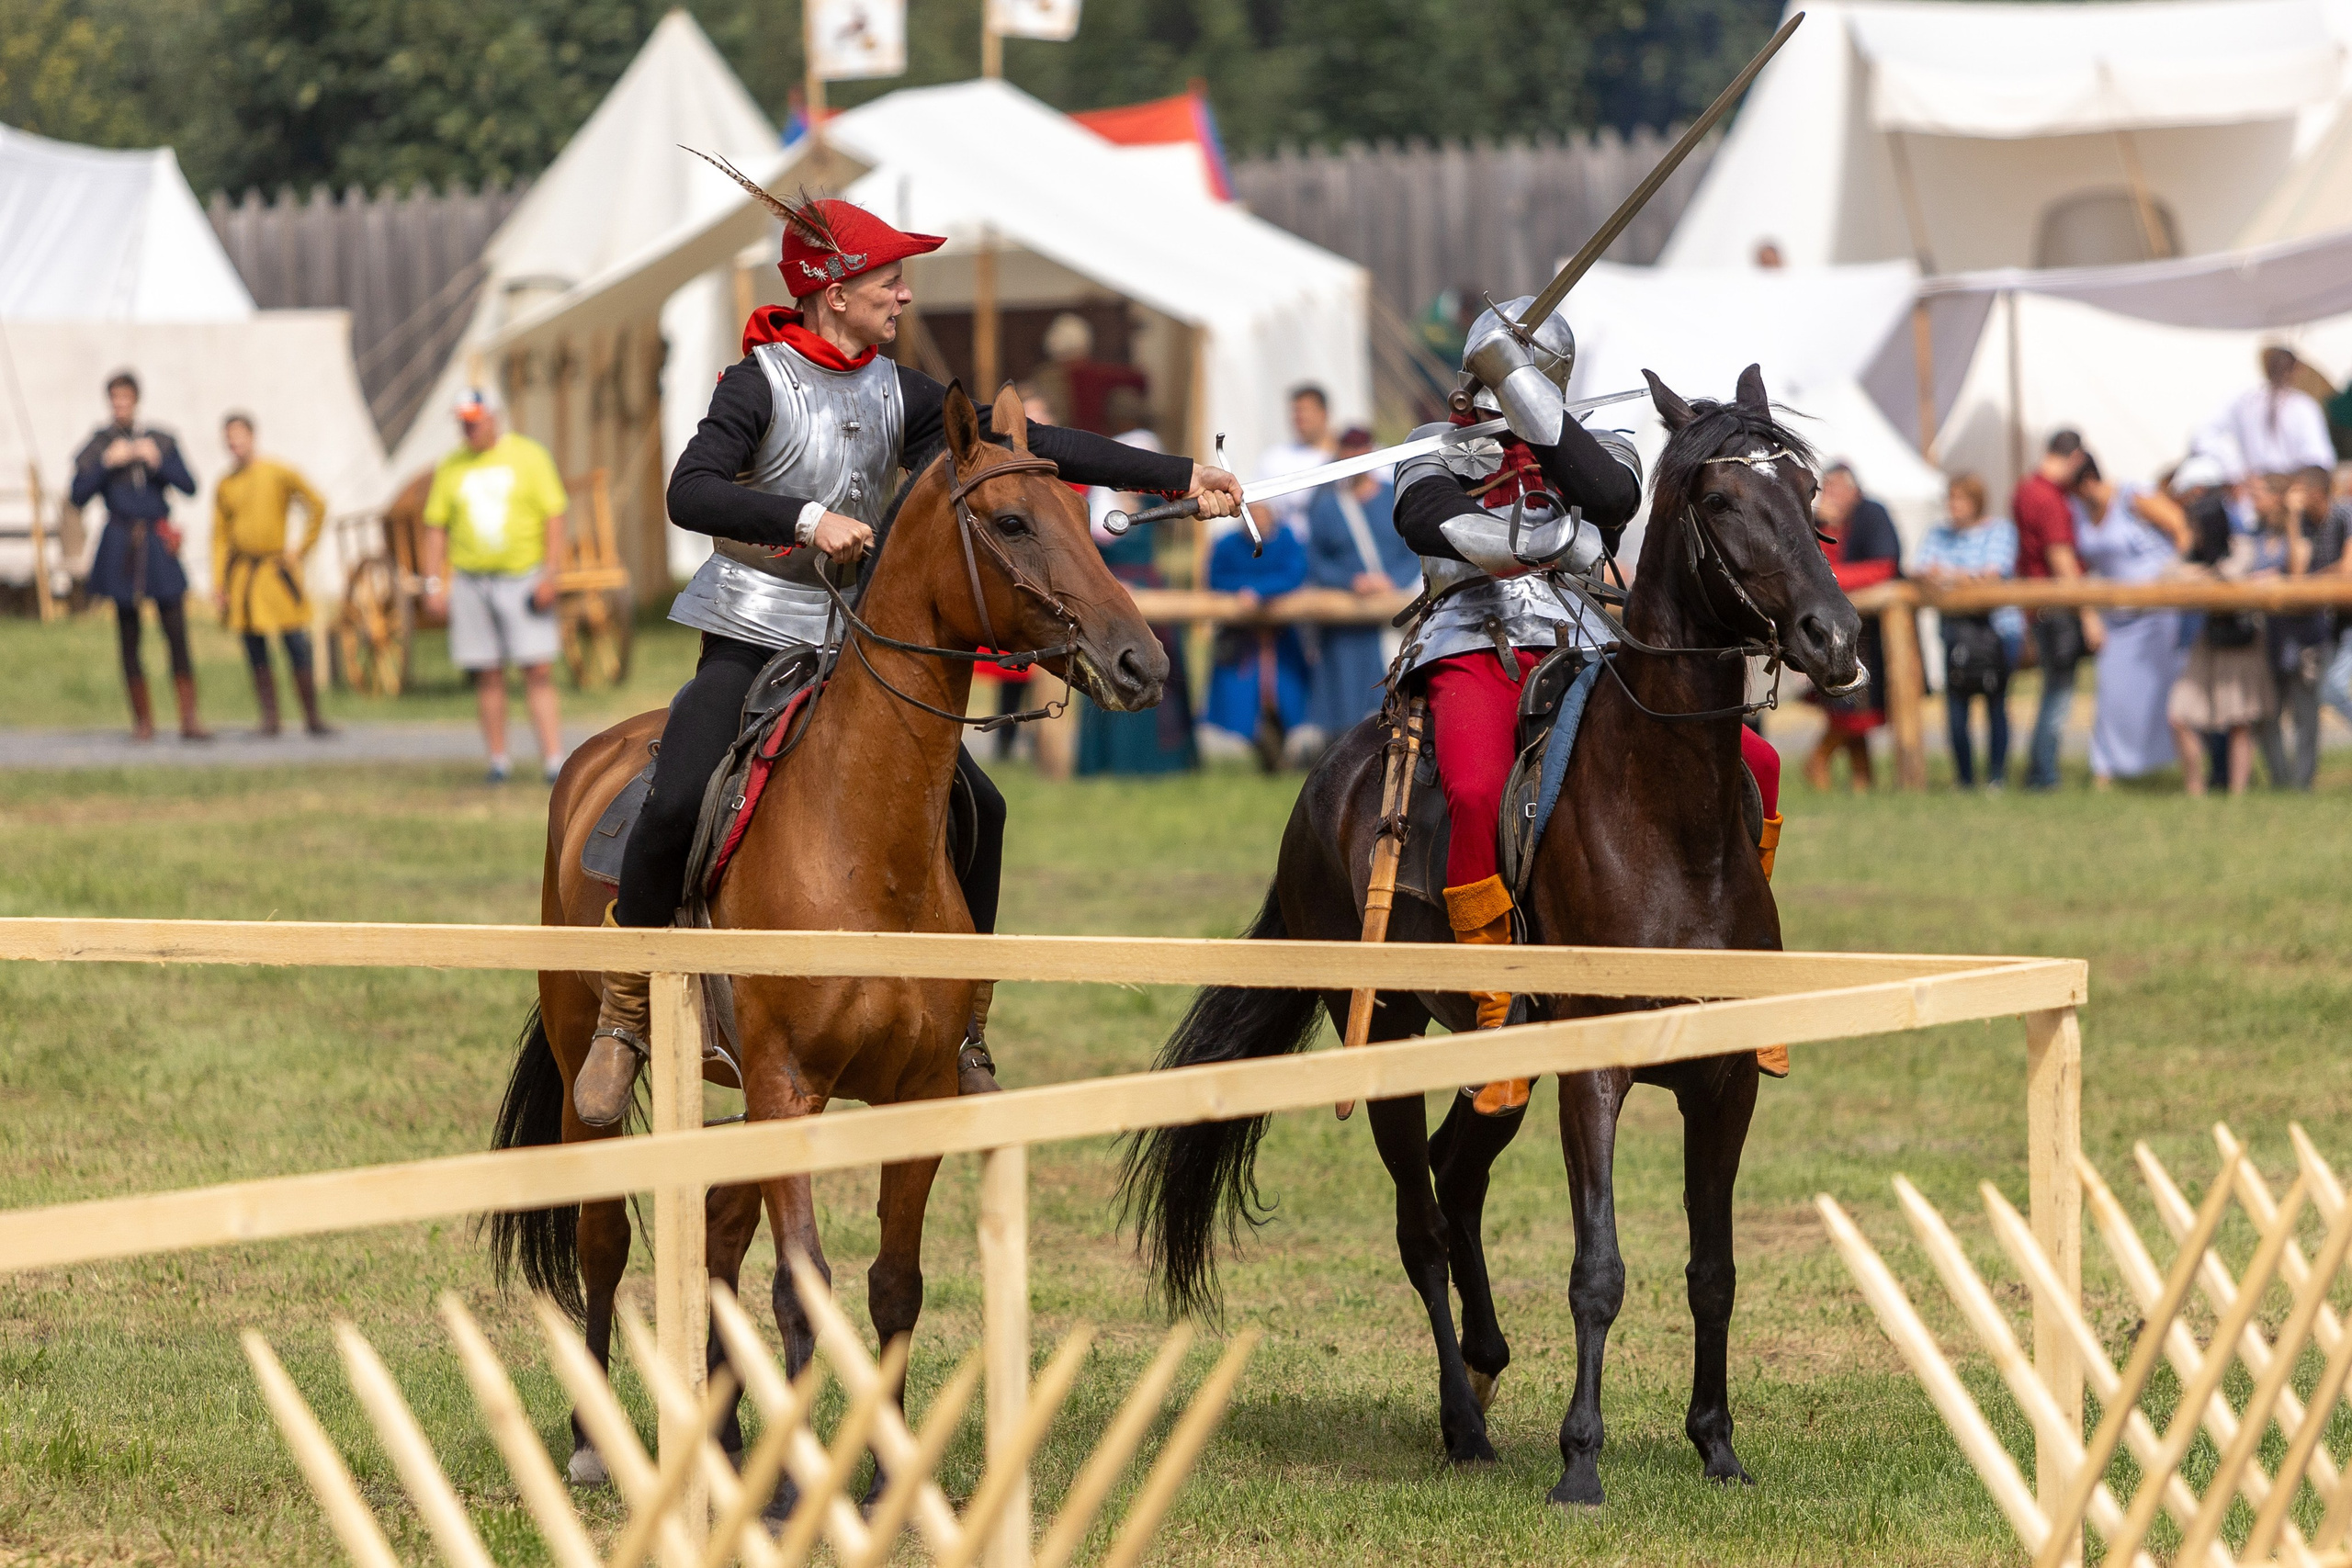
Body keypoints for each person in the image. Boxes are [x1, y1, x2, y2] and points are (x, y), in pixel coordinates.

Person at [574, 183, 1241, 1126]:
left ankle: (964, 1022)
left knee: (987, 810)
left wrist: (1181, 474)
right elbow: (692, 493)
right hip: (754, 630)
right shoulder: (754, 384)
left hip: (853, 646)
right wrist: (806, 518)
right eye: (889, 279)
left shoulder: (900, 391)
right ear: (832, 290)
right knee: (679, 791)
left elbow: (1031, 443)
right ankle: (626, 1013)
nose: (904, 295)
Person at [1389, 294, 1645, 1114]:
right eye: (1503, 371)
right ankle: (1496, 1001)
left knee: (1751, 761)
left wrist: (1523, 387)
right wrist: (1538, 542)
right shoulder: (1435, 445)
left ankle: (1730, 971)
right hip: (1472, 636)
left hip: (1585, 638)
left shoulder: (1599, 438)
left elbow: (1609, 497)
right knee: (1472, 787)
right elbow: (1426, 518)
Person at [421, 390, 569, 784]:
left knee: (536, 667)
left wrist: (549, 574)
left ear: (494, 419)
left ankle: (554, 758)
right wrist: (433, 581)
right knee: (487, 672)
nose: (468, 429)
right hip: (471, 579)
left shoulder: (528, 456)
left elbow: (554, 515)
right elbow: (435, 526)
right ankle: (498, 760)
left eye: (475, 421)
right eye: (463, 422)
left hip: (521, 575)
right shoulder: (451, 466)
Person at [71, 370, 209, 741]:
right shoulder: (99, 445)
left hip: (155, 539)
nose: (121, 405)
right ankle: (143, 721)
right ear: (109, 403)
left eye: (125, 398)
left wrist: (157, 462)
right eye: (115, 399)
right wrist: (107, 465)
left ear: (135, 400)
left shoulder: (160, 439)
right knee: (128, 633)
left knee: (175, 629)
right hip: (119, 540)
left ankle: (189, 718)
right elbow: (77, 495)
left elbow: (190, 486)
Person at [1078, 386, 1197, 775]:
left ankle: (1130, 761)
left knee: (1125, 664)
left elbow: (1103, 531)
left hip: (1126, 582)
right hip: (1129, 580)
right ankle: (1144, 761)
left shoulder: (1130, 458)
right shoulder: (1141, 461)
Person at [2072, 457, 2191, 787]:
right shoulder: (2080, 511)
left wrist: (2176, 575)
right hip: (2113, 617)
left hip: (2155, 615)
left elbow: (2179, 525)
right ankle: (2106, 769)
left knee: (2162, 693)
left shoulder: (2132, 496)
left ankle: (2182, 768)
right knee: (2110, 694)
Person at [211, 412, 333, 737]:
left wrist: (301, 549)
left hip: (276, 572)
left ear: (252, 437)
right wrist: (218, 582)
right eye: (229, 439)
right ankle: (270, 718)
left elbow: (317, 504)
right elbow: (220, 537)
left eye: (239, 437)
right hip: (244, 576)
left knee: (295, 642)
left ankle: (312, 716)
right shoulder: (225, 484)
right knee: (254, 646)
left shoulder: (278, 472)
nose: (234, 444)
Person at [1302, 425, 1416, 739]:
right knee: (1344, 703)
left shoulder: (1394, 498)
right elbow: (1314, 561)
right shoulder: (1326, 505)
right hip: (1344, 620)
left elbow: (1414, 550)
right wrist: (1350, 581)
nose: (1353, 458)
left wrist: (1391, 581)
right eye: (1347, 451)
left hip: (1393, 615)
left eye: (1359, 451)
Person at [2166, 455, 2267, 796]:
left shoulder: (2238, 530)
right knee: (2185, 715)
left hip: (2237, 639)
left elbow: (2235, 569)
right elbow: (2173, 573)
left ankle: (2233, 791)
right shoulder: (2199, 546)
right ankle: (2202, 789)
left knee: (2237, 719)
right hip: (2207, 638)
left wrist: (2204, 575)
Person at [1915, 474, 2018, 788]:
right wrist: (1967, 578)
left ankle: (1996, 776)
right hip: (1955, 631)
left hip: (1995, 630)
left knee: (1996, 703)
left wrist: (1947, 577)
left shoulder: (1999, 530)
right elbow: (1920, 570)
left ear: (1976, 502)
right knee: (1957, 709)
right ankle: (1966, 778)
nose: (1953, 506)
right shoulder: (1939, 533)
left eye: (1959, 499)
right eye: (1951, 499)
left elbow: (1993, 575)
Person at [1803, 463, 1902, 790]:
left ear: (1853, 490)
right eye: (1825, 490)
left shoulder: (1872, 514)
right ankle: (1858, 778)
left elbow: (1884, 566)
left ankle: (1827, 763)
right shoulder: (1818, 522)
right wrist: (1826, 526)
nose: (1828, 497)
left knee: (1859, 709)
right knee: (1846, 707)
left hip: (1871, 632)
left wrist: (1834, 581)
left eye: (1834, 489)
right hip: (1830, 631)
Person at [2012, 431, 2094, 789]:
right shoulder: (2049, 497)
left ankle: (2040, 770)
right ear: (2075, 457)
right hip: (2058, 609)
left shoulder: (2025, 490)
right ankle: (2044, 774)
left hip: (2037, 606)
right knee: (2058, 697)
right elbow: (2061, 560)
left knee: (2052, 692)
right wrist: (2089, 614)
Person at [1200, 514, 1312, 765]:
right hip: (1241, 640)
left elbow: (1295, 573)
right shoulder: (1227, 543)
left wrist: (1259, 592)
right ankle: (1257, 749)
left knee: (1288, 698)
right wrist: (1243, 592)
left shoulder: (1287, 539)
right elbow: (1216, 577)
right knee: (1241, 705)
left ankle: (1285, 752)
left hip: (1281, 638)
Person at [2256, 468, 2331, 789]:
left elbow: (2298, 573)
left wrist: (2293, 518)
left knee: (2305, 712)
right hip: (2271, 634)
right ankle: (2280, 780)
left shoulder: (2308, 529)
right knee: (2267, 712)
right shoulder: (2257, 532)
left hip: (2305, 635)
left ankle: (2302, 783)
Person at [2194, 345, 2338, 482]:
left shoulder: (2302, 406)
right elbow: (2204, 434)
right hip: (2257, 487)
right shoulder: (2245, 401)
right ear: (2296, 370)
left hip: (2287, 489)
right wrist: (2234, 469)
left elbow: (2318, 458)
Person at [1250, 383, 1336, 541]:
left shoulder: (1350, 457)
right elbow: (1256, 508)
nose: (1300, 419)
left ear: (1323, 414)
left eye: (1305, 412)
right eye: (1296, 413)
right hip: (1291, 549)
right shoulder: (1274, 459)